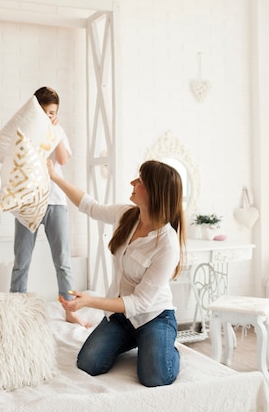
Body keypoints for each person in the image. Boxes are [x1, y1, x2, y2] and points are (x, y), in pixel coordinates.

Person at [49, 159, 186, 387]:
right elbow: (89, 206)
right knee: (89, 364)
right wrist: (55, 177)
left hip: (153, 317)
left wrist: (90, 301)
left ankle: (163, 345)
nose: (132, 182)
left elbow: (141, 302)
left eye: (140, 180)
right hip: (122, 319)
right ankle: (137, 340)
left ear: (154, 192)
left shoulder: (167, 244)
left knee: (155, 377)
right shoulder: (127, 216)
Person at [10, 86, 88, 327]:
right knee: (21, 259)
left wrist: (53, 131)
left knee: (62, 260)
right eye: (44, 112)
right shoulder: (24, 130)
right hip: (29, 201)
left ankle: (69, 308)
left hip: (55, 202)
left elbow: (63, 159)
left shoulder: (58, 130)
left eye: (52, 113)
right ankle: (16, 307)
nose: (48, 116)